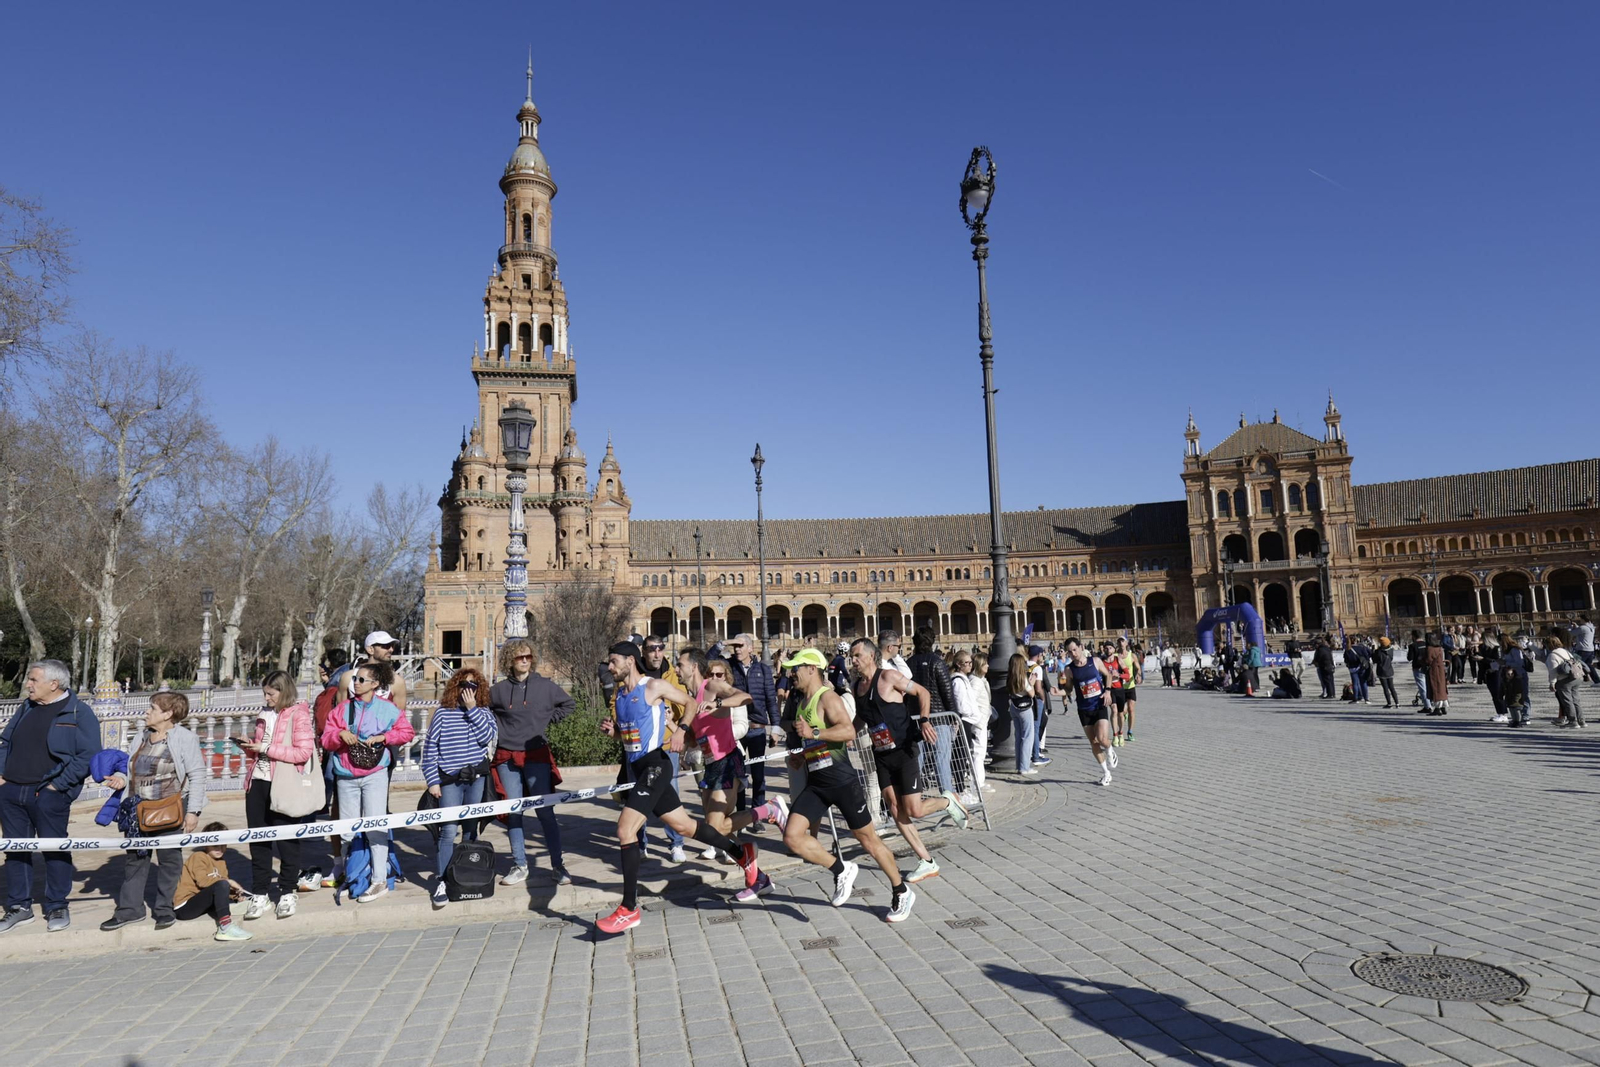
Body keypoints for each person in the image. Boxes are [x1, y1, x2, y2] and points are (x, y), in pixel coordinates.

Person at [596, 642, 759, 935]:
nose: (609, 667)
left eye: (613, 661)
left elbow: (691, 703)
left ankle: (628, 909)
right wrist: (614, 733)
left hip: (657, 766)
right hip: (639, 769)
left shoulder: (654, 686)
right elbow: (630, 736)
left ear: (630, 661)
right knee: (685, 827)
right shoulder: (621, 695)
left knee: (625, 830)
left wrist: (682, 730)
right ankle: (742, 853)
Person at [778, 649, 915, 922]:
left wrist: (814, 732)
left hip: (842, 782)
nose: (790, 673)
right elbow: (822, 743)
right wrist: (802, 755)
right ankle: (841, 869)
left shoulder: (828, 697)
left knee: (869, 841)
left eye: (795, 668)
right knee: (793, 837)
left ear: (811, 669)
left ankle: (901, 890)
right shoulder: (802, 701)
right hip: (817, 781)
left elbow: (848, 732)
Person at [851, 637, 967, 885]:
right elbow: (861, 718)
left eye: (857, 655)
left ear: (871, 656)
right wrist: (847, 735)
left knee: (914, 809)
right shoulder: (857, 687)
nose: (853, 661)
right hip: (881, 754)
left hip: (904, 750)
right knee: (894, 808)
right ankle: (927, 861)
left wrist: (924, 720)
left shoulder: (889, 677)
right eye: (852, 656)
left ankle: (949, 801)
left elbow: (922, 692)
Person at [0, 659, 100, 933]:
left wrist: (58, 786)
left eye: (33, 680)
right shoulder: (26, 707)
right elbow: (6, 741)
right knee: (15, 851)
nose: (27, 684)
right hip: (11, 792)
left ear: (53, 685)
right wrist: (2, 776)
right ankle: (19, 907)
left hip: (48, 794)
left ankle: (57, 904)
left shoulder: (79, 712)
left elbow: (88, 756)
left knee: (54, 850)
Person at [98, 691, 208, 932]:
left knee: (170, 862)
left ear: (168, 714)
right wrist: (119, 779)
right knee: (135, 861)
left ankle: (164, 909)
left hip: (169, 811)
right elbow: (130, 767)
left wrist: (194, 811)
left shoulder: (184, 738)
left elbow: (197, 774)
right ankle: (130, 910)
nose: (147, 712)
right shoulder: (142, 735)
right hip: (137, 812)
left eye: (153, 708)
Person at [322, 660, 415, 902]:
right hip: (346, 775)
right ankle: (351, 874)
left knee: (376, 826)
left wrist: (385, 736)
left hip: (375, 774)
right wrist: (340, 734)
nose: (356, 683)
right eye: (355, 679)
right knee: (346, 830)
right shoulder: (342, 709)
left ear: (375, 684)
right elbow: (326, 739)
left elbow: (407, 732)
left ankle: (379, 880)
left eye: (361, 679)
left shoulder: (388, 709)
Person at [488, 641, 573, 885]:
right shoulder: (499, 690)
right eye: (518, 657)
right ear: (510, 661)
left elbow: (568, 705)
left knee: (545, 811)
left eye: (527, 656)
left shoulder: (545, 686)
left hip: (536, 755)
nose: (524, 660)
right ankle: (519, 864)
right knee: (514, 812)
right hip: (507, 757)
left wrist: (546, 721)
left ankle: (558, 866)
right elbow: (485, 710)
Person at [238, 671, 315, 921]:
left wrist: (266, 749)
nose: (266, 697)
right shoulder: (263, 714)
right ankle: (260, 893)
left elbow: (303, 752)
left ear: (283, 691)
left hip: (283, 784)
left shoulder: (298, 714)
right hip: (258, 781)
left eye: (270, 693)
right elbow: (261, 750)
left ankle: (287, 890)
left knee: (286, 841)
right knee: (258, 841)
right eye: (265, 693)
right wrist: (250, 747)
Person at [425, 667, 498, 907]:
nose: (468, 690)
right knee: (447, 830)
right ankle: (443, 879)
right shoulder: (443, 713)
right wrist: (432, 780)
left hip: (475, 777)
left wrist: (472, 710)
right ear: (455, 687)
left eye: (473, 686)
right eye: (464, 685)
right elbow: (430, 748)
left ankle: (468, 874)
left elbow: (487, 737)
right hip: (449, 779)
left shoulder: (484, 712)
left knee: (470, 827)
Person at [725, 633, 778, 830]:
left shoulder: (762, 669)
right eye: (734, 646)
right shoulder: (729, 666)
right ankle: (740, 816)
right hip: (736, 730)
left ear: (750, 647)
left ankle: (756, 816)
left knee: (758, 774)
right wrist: (726, 642)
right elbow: (708, 660)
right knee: (738, 774)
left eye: (740, 645)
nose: (737, 649)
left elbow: (771, 699)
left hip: (756, 729)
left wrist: (776, 728)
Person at [173, 822, 252, 941]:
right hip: (185, 906)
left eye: (223, 845)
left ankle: (229, 909)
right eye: (215, 845)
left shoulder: (221, 862)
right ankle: (225, 927)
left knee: (224, 887)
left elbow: (220, 887)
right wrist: (228, 882)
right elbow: (203, 882)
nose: (220, 849)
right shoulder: (198, 856)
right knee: (222, 884)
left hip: (201, 901)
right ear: (206, 844)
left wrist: (235, 895)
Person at [906, 627, 961, 793]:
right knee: (941, 760)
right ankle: (948, 797)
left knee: (917, 760)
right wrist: (954, 716)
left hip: (916, 718)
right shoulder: (938, 662)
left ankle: (913, 795)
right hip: (938, 717)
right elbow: (947, 692)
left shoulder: (909, 663)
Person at [1057, 638, 1117, 786]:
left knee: (1102, 739)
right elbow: (1069, 689)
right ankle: (1106, 773)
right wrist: (1059, 692)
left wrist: (1108, 691)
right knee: (1094, 742)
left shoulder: (1095, 661)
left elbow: (1108, 675)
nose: (1073, 653)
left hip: (1099, 704)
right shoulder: (1069, 669)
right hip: (1084, 709)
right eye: (1070, 652)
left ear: (1081, 647)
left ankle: (1109, 749)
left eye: (1075, 650)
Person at [949, 649, 991, 797]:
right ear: (959, 665)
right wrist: (972, 713)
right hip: (965, 719)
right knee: (961, 753)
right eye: (966, 663)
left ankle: (961, 785)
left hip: (968, 718)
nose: (970, 665)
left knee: (963, 753)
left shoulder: (965, 679)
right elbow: (961, 703)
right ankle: (960, 786)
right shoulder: (959, 681)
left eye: (970, 662)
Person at [338, 630, 409, 711]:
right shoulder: (348, 678)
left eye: (392, 646)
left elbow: (399, 719)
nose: (391, 649)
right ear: (370, 649)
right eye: (385, 646)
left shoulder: (397, 682)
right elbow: (339, 715)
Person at [1004, 652, 1036, 776]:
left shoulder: (1010, 677)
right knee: (1027, 737)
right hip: (1025, 709)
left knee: (1018, 737)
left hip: (1014, 707)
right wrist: (1032, 682)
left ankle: (1019, 765)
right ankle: (1025, 767)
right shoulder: (1023, 678)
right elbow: (1032, 694)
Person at [1545, 633, 1585, 728]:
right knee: (1576, 700)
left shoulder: (1552, 655)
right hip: (1576, 677)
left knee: (1567, 701)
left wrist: (1552, 683)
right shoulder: (1565, 651)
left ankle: (1573, 721)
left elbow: (1553, 671)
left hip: (1564, 680)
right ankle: (1582, 721)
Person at [1498, 632, 1531, 726]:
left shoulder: (1514, 649)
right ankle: (1516, 717)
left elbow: (1519, 663)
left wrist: (1506, 663)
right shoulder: (1506, 650)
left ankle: (1525, 716)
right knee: (1512, 696)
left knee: (1523, 695)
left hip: (1520, 675)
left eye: (1500, 642)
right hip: (1510, 676)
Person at [1028, 645, 1053, 763]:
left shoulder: (1023, 665)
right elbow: (1038, 688)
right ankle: (1036, 754)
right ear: (1038, 655)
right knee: (1036, 726)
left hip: (1026, 698)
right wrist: (1043, 698)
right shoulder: (1037, 668)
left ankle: (1030, 752)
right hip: (1036, 698)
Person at [1423, 632, 1449, 716]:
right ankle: (1443, 707)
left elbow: (1428, 660)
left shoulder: (1430, 648)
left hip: (1434, 669)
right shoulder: (1439, 648)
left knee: (1436, 687)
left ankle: (1437, 708)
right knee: (1441, 687)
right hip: (1440, 668)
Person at [1405, 630, 1431, 711]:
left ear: (1413, 636)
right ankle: (1432, 703)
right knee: (1429, 686)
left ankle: (1427, 706)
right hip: (1427, 667)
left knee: (1422, 688)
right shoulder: (1426, 644)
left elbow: (1410, 658)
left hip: (1418, 667)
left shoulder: (1413, 646)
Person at [1372, 637, 1399, 708]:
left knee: (1385, 688)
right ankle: (1397, 703)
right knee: (1392, 688)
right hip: (1390, 671)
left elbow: (1375, 660)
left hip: (1381, 671)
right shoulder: (1391, 650)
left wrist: (1373, 651)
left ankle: (1389, 703)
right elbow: (1391, 659)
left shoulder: (1379, 652)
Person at [1572, 614, 1596, 684]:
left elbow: (1571, 633)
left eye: (1580, 619)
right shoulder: (1591, 627)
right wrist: (1576, 627)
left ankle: (1576, 680)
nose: (1579, 620)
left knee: (1575, 664)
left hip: (1582, 649)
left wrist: (1570, 627)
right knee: (1589, 666)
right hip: (1590, 649)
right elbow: (1582, 632)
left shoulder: (1582, 627)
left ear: (1583, 619)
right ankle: (1596, 680)